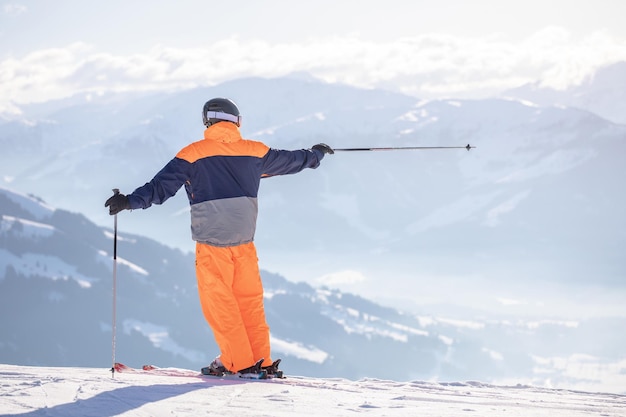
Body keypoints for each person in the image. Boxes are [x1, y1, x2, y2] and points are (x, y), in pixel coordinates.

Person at [105, 97, 333, 376]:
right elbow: (293, 161)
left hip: (213, 245)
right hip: (245, 243)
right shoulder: (255, 151)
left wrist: (128, 201)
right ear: (236, 121)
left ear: (207, 121)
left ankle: (239, 362)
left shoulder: (193, 154)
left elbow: (159, 188)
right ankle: (260, 359)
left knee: (221, 303)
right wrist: (316, 154)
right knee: (249, 301)